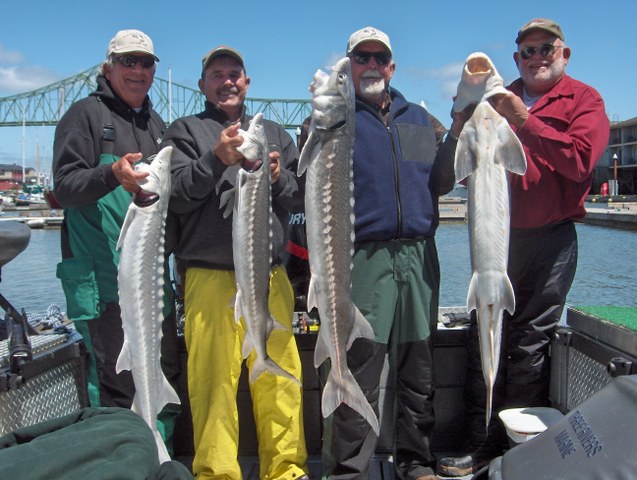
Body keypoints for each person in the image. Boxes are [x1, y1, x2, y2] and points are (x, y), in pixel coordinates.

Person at [438, 18, 610, 477]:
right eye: (527, 52)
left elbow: (578, 163)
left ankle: (517, 451)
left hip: (551, 241)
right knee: (482, 338)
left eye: (545, 49)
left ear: (564, 54)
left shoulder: (585, 100)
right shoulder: (493, 98)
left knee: (530, 345)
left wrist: (523, 120)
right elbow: (458, 155)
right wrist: (464, 111)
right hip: (497, 242)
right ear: (516, 59)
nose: (535, 58)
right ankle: (479, 442)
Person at [321, 27, 469, 480]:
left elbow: (440, 183)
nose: (371, 65)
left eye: (379, 57)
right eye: (360, 58)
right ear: (348, 66)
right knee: (359, 365)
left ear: (392, 66)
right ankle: (347, 469)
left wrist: (459, 130)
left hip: (420, 258)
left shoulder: (419, 119)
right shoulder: (334, 119)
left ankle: (415, 459)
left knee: (418, 367)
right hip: (364, 259)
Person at [162, 46, 309, 480]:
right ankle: (217, 473)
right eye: (217, 74)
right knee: (213, 385)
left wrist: (280, 178)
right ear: (203, 84)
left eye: (235, 74)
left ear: (247, 82)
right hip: (207, 278)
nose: (227, 81)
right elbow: (177, 194)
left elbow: (299, 196)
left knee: (281, 381)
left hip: (270, 276)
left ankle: (287, 470)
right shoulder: (183, 131)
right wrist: (215, 160)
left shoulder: (276, 132)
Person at [52, 28, 180, 446]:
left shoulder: (158, 126)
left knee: (162, 378)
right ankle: (119, 464)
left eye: (146, 63)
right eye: (128, 61)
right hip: (101, 284)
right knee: (113, 383)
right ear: (108, 67)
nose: (138, 70)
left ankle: (158, 460)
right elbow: (66, 187)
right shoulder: (83, 116)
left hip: (151, 286)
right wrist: (111, 174)